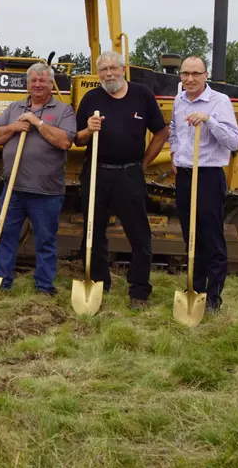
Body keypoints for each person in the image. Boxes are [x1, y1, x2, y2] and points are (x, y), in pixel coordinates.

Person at [74, 51, 169, 308]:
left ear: (123, 69)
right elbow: (77, 139)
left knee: (139, 233)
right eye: (103, 69)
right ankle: (98, 283)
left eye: (112, 68)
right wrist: (87, 129)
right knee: (94, 231)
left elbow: (161, 131)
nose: (108, 74)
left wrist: (144, 163)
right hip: (96, 170)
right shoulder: (92, 98)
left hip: (130, 172)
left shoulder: (142, 95)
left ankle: (139, 290)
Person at [0, 62, 75, 295]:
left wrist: (37, 123)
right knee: (5, 236)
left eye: (42, 80)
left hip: (46, 192)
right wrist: (15, 126)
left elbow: (65, 141)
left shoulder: (62, 110)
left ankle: (44, 286)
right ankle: (1, 281)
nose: (37, 84)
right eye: (33, 80)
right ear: (28, 84)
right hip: (13, 188)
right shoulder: (14, 108)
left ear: (50, 84)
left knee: (45, 241)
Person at [169, 56, 238, 313]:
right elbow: (174, 130)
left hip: (209, 175)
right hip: (185, 176)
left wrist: (209, 121)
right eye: (185, 73)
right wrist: (175, 154)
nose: (189, 78)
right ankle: (195, 290)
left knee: (212, 239)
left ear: (205, 74)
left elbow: (235, 141)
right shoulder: (179, 100)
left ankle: (213, 299)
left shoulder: (219, 102)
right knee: (191, 238)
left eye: (195, 73)